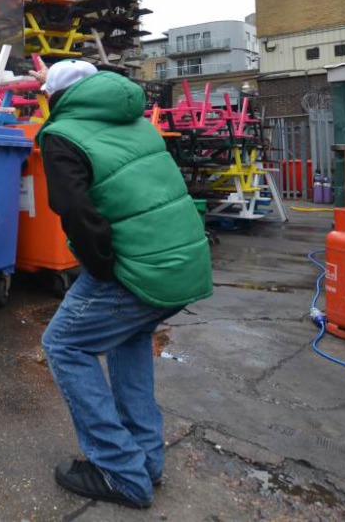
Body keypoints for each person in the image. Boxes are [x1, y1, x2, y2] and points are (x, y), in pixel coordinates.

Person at [32, 60, 212, 509]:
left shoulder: (62, 135)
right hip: (184, 260)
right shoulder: (139, 124)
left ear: (55, 98)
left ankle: (119, 471)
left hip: (138, 268)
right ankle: (147, 461)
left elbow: (75, 212)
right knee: (128, 339)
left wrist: (103, 267)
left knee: (64, 345)